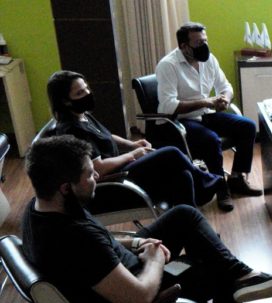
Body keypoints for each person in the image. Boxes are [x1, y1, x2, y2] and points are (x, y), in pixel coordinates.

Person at [22, 135, 272, 303]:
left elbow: (100, 241)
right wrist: (154, 260)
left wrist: (137, 242)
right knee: (215, 268)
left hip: (122, 268)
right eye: (88, 174)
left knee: (183, 215)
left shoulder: (40, 210)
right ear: (65, 188)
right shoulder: (75, 240)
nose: (96, 174)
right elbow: (139, 299)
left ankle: (243, 274)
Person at [47, 70, 222, 209]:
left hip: (121, 170)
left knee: (183, 177)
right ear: (65, 101)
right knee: (172, 153)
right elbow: (98, 167)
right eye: (79, 93)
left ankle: (192, 229)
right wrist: (133, 154)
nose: (87, 93)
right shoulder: (72, 130)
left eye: (86, 88)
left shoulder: (81, 115)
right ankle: (210, 182)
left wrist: (131, 144)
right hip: (113, 183)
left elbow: (106, 136)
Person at [156, 21, 260, 212]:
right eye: (198, 43)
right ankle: (221, 188)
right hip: (181, 121)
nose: (204, 46)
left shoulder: (209, 60)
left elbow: (225, 86)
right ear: (184, 46)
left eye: (205, 41)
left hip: (206, 114)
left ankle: (236, 178)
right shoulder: (168, 65)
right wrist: (205, 102)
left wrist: (225, 99)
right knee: (211, 140)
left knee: (248, 126)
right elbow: (168, 106)